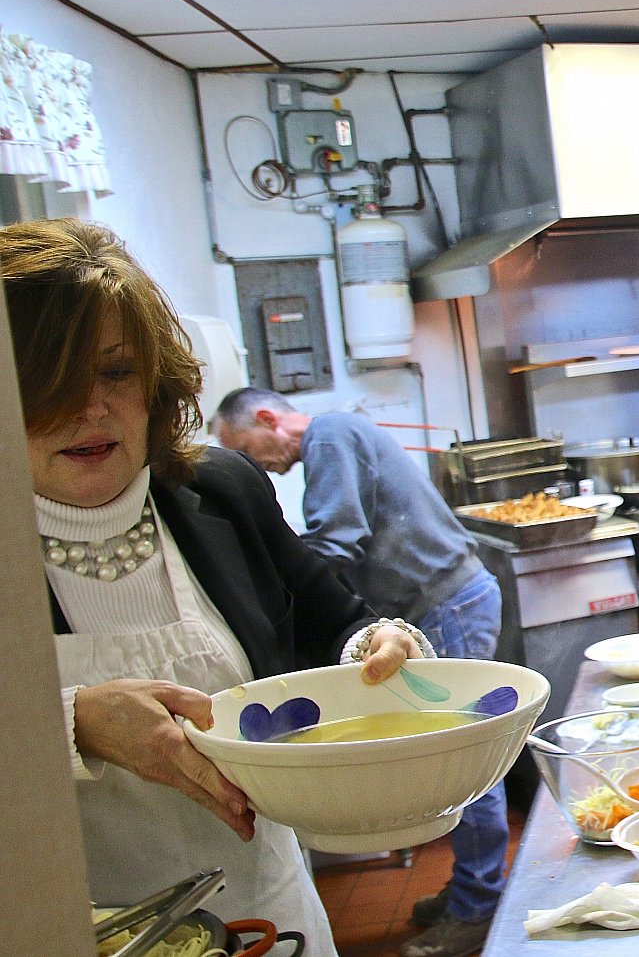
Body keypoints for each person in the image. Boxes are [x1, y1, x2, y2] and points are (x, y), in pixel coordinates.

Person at [3, 217, 431, 957]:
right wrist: (71, 720)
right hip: (94, 934)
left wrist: (378, 645)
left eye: (114, 371)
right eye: (48, 382)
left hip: (270, 909)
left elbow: (334, 623)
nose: (89, 409)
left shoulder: (220, 489)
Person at [213, 386, 508, 957]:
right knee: (450, 750)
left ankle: (479, 908)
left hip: (442, 604)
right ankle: (473, 890)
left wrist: (284, 598)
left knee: (464, 757)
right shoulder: (337, 434)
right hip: (443, 602)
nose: (256, 465)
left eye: (247, 449)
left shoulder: (330, 433)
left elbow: (336, 539)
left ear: (269, 418)